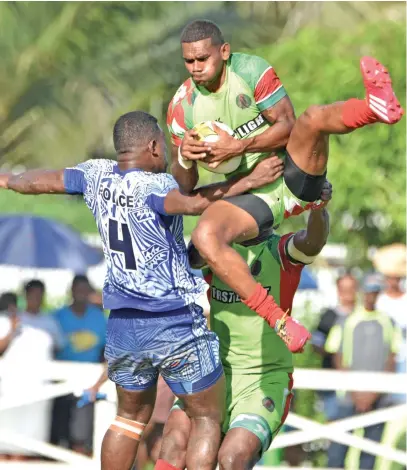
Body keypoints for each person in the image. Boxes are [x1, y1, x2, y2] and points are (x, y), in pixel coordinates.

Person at [0, 110, 283, 470]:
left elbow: (39, 181)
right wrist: (249, 181)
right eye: (163, 146)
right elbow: (194, 203)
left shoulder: (94, 174)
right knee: (207, 418)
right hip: (172, 320)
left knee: (128, 419)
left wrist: (8, 180)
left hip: (122, 324)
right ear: (152, 146)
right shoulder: (154, 186)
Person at [167, 19, 404, 353]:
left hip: (291, 174)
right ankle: (279, 320)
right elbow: (184, 189)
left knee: (313, 119)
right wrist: (185, 156)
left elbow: (288, 126)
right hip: (252, 197)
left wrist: (240, 146)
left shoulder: (250, 71)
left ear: (224, 51)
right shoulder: (182, 107)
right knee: (205, 237)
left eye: (202, 59)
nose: (196, 68)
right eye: (189, 61)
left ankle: (373, 108)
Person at [156, 182, 331, 470]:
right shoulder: (216, 250)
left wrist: (318, 207)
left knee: (232, 458)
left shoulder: (279, 251)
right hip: (214, 374)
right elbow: (194, 252)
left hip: (263, 380)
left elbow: (313, 241)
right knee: (175, 441)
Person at [324, 275, 401, 470]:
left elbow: (392, 358)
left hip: (377, 397)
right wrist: (355, 392)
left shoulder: (388, 322)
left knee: (369, 457)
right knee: (337, 454)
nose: (371, 296)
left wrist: (374, 391)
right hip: (348, 397)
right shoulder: (346, 320)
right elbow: (337, 356)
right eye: (368, 291)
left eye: (375, 292)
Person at [0, 280, 64, 460]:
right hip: (11, 388)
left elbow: (60, 347)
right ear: (25, 296)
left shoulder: (50, 322)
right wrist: (12, 330)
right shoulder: (8, 319)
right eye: (32, 294)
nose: (35, 298)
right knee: (5, 439)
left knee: (32, 443)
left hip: (40, 389)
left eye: (39, 294)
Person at [50, 275, 107, 456]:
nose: (81, 294)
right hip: (60, 381)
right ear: (71, 291)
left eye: (85, 290)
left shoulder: (99, 318)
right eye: (78, 290)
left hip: (88, 381)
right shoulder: (58, 316)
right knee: (59, 431)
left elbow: (107, 349)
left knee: (82, 434)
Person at [312, 273, 359, 421]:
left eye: (351, 288)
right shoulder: (328, 316)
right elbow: (316, 344)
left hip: (358, 381)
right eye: (344, 289)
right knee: (334, 424)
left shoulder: (363, 315)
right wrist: (335, 354)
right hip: (332, 382)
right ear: (338, 290)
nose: (348, 293)